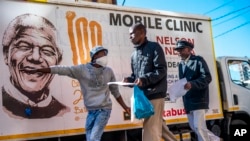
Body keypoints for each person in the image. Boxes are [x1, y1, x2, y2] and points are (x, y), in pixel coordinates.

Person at [24, 46, 130, 141]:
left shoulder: (108, 71)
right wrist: (39, 70)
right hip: (91, 111)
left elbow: (115, 91)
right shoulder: (82, 70)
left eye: (106, 54)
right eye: (103, 53)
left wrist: (125, 106)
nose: (105, 56)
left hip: (104, 110)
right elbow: (61, 70)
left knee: (94, 138)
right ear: (95, 55)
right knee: (89, 138)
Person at [1, 13, 69, 119]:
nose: (35, 57)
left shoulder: (64, 111)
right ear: (6, 54)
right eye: (24, 46)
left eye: (47, 51)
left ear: (58, 62)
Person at [123, 23, 176, 141]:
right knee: (159, 128)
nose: (130, 36)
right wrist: (129, 80)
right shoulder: (134, 55)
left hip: (155, 95)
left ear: (142, 33)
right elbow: (136, 76)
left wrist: (144, 80)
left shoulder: (154, 47)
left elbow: (161, 70)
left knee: (150, 131)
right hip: (143, 97)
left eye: (132, 33)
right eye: (129, 34)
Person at [174, 40, 212, 141]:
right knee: (194, 127)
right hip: (188, 100)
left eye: (181, 49)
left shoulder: (198, 60)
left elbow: (207, 78)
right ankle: (216, 139)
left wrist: (192, 84)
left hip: (199, 99)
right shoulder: (181, 65)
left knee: (198, 127)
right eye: (178, 50)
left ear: (189, 50)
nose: (179, 52)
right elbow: (183, 82)